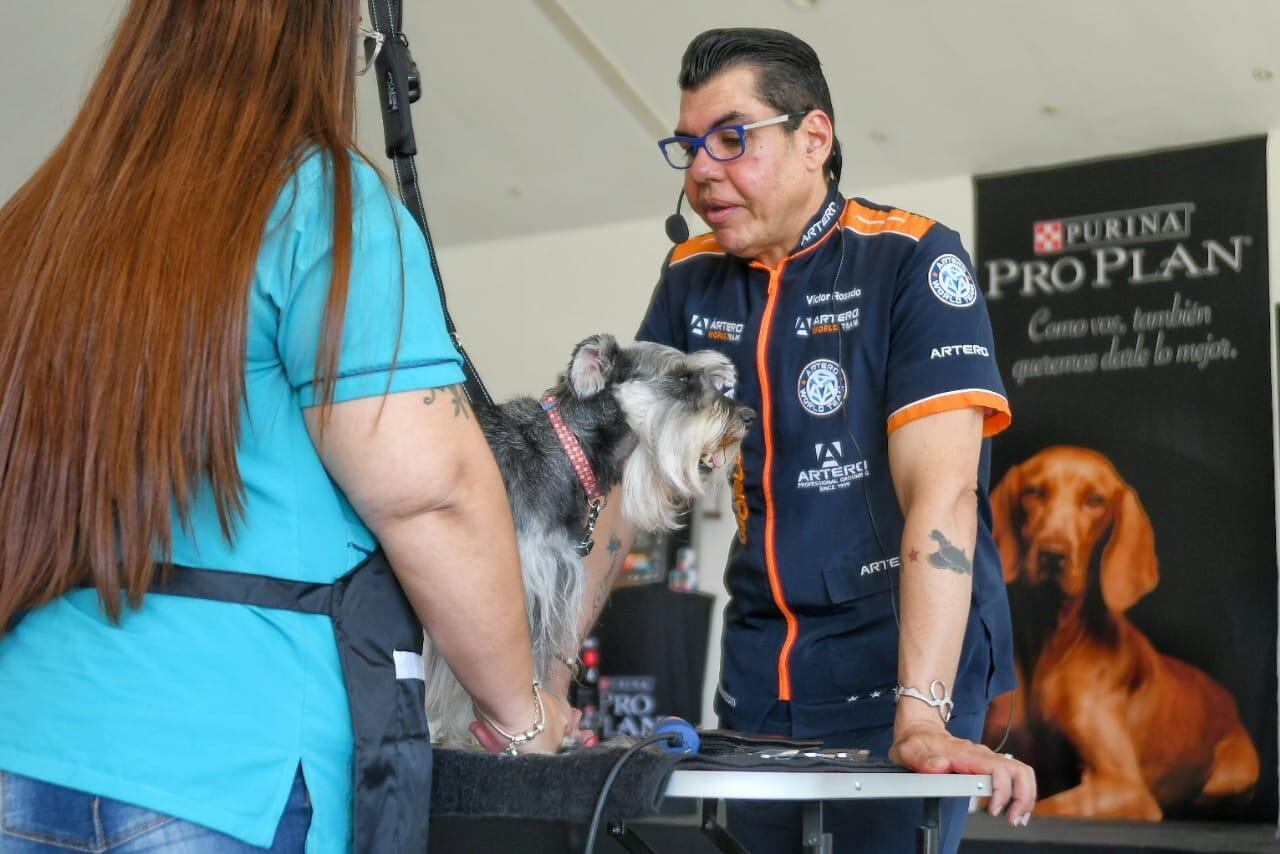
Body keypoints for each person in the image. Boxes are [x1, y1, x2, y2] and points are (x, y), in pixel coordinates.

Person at [0, 2, 570, 852]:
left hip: (24, 745)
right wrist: (520, 713)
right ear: (313, 37)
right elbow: (433, 498)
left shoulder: (39, 221)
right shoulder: (320, 199)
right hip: (226, 766)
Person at [568, 27, 1037, 853]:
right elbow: (619, 487)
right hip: (761, 673)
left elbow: (943, 495)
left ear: (814, 136)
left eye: (730, 139)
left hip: (897, 671)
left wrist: (921, 717)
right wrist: (545, 678)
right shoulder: (689, 280)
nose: (702, 169)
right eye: (688, 146)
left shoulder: (914, 261)